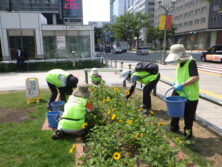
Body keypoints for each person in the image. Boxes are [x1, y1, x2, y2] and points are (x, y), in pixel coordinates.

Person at [165, 44, 199, 139]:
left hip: (190, 94)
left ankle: (187, 134)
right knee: (174, 109)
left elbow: (195, 77)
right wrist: (176, 83)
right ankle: (174, 127)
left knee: (188, 116)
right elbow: (181, 77)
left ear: (181, 55)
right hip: (179, 91)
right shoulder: (180, 64)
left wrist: (182, 85)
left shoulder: (191, 62)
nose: (175, 60)